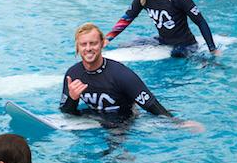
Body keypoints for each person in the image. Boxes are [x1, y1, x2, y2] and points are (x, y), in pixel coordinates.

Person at [60, 23, 204, 131]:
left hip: (122, 120)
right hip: (92, 115)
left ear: (102, 44)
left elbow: (151, 105)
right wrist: (72, 99)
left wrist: (179, 123)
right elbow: (66, 112)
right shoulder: (73, 74)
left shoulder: (122, 75)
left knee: (115, 151)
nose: (88, 48)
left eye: (93, 43)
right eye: (83, 44)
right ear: (77, 47)